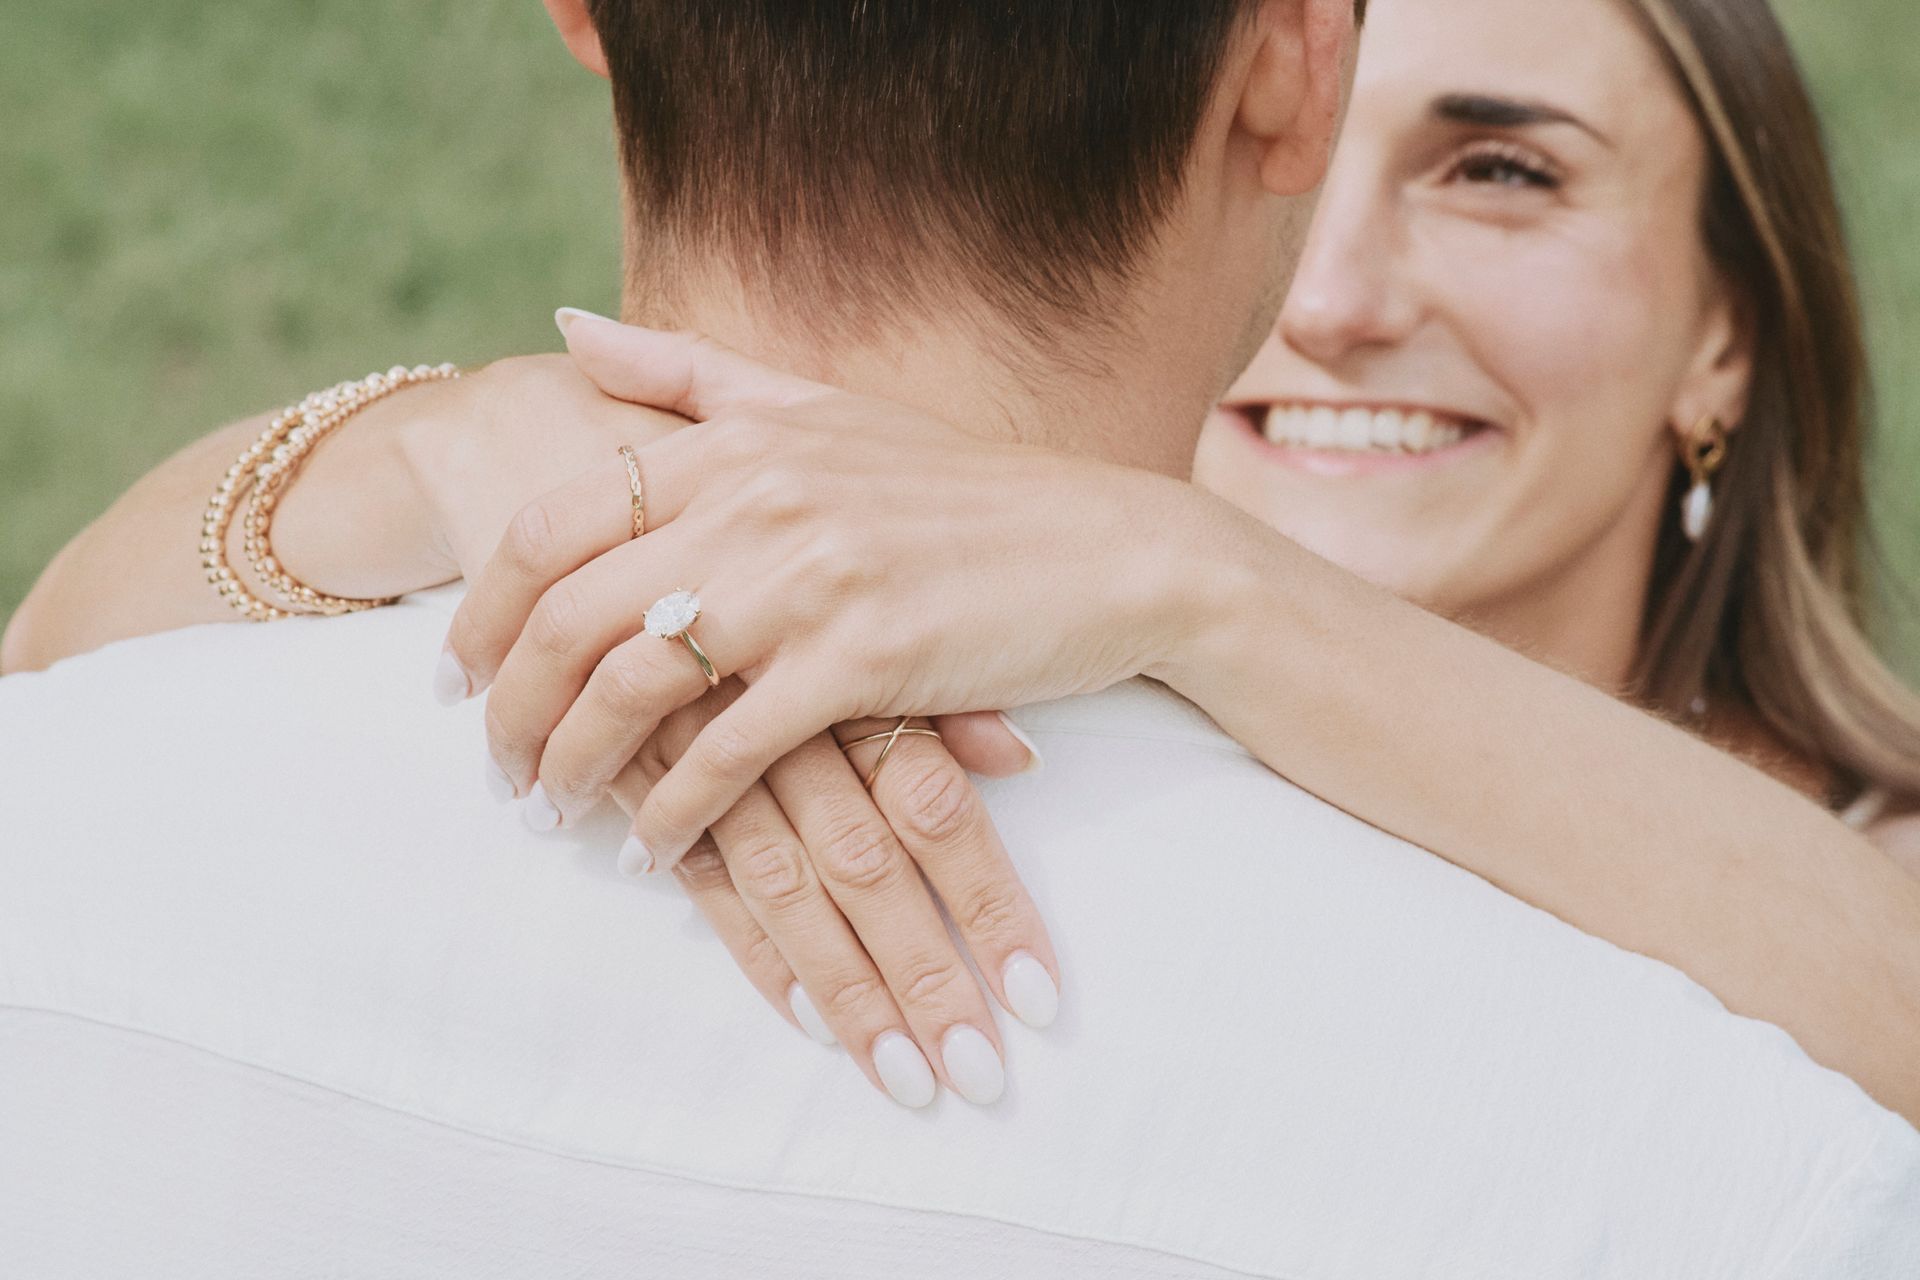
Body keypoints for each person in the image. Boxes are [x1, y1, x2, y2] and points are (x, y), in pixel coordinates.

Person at [4, 0, 1920, 1270]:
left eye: (1504, 172)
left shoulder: (75, 836)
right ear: (1291, 76)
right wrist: (430, 439)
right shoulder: (1717, 1168)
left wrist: (1204, 577)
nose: (1336, 297)